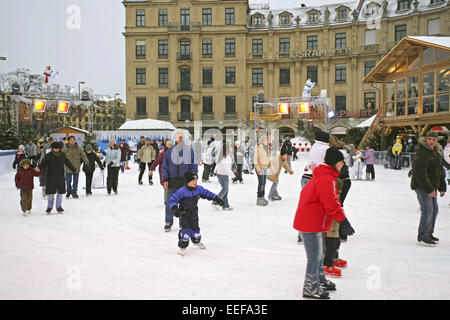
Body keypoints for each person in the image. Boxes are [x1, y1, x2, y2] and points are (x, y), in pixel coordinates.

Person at [293, 147, 355, 299]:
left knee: (320, 255)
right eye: (341, 162)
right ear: (335, 162)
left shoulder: (328, 176)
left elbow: (332, 202)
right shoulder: (326, 179)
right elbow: (331, 204)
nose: (343, 165)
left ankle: (319, 279)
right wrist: (344, 221)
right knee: (314, 257)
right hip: (311, 222)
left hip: (316, 222)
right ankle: (310, 289)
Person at [169, 170, 224, 256]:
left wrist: (217, 199)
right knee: (185, 232)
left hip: (194, 212)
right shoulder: (182, 191)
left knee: (196, 231)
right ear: (187, 181)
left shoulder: (198, 189)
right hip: (184, 214)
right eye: (192, 180)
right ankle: (182, 246)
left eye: (196, 180)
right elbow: (173, 199)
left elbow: (207, 193)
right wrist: (175, 209)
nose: (195, 182)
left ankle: (196, 241)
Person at [410, 131, 446, 246]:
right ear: (426, 140)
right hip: (422, 186)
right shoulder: (422, 153)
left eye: (434, 140)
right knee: (428, 210)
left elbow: (440, 172)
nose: (431, 141)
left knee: (434, 210)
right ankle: (422, 236)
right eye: (429, 139)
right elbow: (421, 174)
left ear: (437, 141)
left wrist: (442, 187)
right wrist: (429, 189)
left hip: (432, 186)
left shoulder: (436, 153)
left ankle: (429, 233)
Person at [162, 129, 198, 232]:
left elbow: (193, 165)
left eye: (181, 135)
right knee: (170, 202)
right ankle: (168, 221)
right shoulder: (169, 151)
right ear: (174, 137)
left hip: (184, 181)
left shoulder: (189, 150)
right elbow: (165, 166)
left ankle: (184, 223)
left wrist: (194, 177)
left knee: (185, 203)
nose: (180, 136)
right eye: (178, 135)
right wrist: (165, 178)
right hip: (172, 181)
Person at [298, 130, 330, 243]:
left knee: (306, 207)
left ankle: (302, 234)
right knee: (316, 208)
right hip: (315, 179)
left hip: (305, 177)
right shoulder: (326, 149)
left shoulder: (314, 146)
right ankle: (314, 233)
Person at [38, 141, 77, 214]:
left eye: (58, 148)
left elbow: (67, 162)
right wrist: (39, 167)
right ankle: (49, 207)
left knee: (60, 192)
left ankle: (59, 206)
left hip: (60, 176)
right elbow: (43, 162)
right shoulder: (49, 155)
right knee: (51, 193)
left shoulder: (62, 155)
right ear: (52, 148)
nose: (56, 150)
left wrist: (73, 169)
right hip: (51, 176)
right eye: (55, 148)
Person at [212, 141, 235, 211]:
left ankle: (225, 205)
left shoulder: (225, 155)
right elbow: (226, 167)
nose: (232, 148)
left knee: (226, 190)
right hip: (222, 174)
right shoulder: (225, 156)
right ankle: (215, 202)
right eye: (231, 146)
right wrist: (232, 175)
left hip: (223, 174)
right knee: (224, 189)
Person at [254, 134, 271, 206]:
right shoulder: (258, 147)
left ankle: (262, 196)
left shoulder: (267, 147)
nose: (267, 141)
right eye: (266, 140)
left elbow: (268, 157)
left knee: (264, 183)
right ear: (262, 140)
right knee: (261, 183)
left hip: (265, 167)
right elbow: (255, 159)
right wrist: (258, 169)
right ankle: (259, 198)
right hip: (260, 167)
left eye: (267, 140)